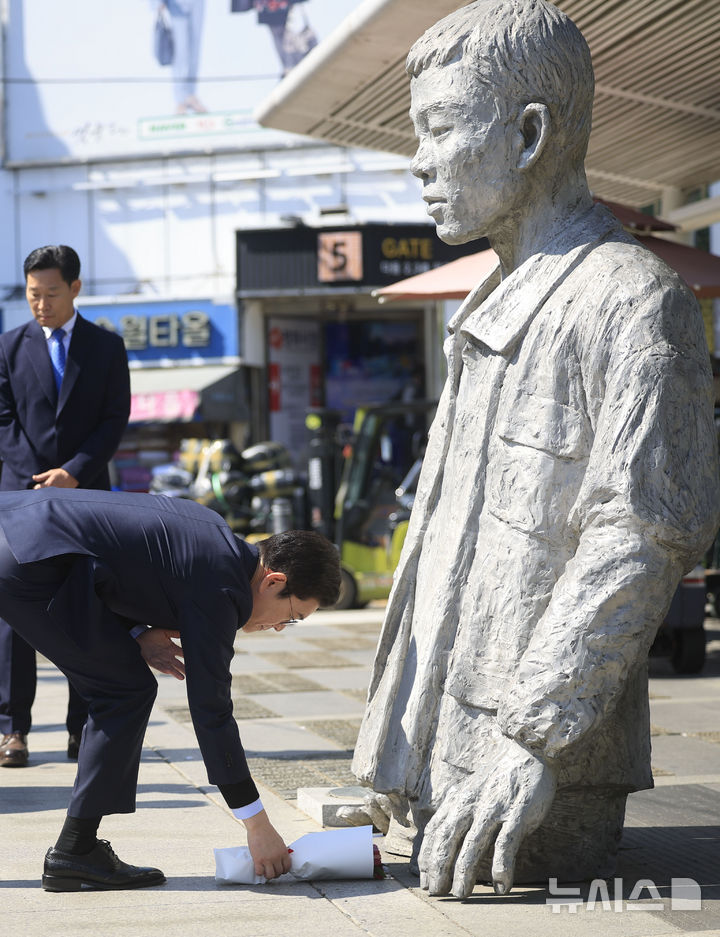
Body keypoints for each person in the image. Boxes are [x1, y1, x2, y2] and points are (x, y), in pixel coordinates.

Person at [348, 0, 720, 900]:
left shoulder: (632, 300)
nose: (420, 159)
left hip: (537, 776)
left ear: (527, 135)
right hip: (443, 756)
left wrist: (532, 741)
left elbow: (641, 533)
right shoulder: (485, 304)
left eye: (441, 127)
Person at [0, 487, 341, 890]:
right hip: (27, 562)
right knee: (122, 691)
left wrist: (136, 631)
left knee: (126, 683)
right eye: (293, 615)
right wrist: (257, 824)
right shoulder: (221, 588)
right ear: (274, 581)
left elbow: (108, 557)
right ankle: (75, 851)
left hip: (19, 529)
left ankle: (77, 849)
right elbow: (211, 709)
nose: (281, 627)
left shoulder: (214, 537)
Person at [0, 245, 130, 768]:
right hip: (20, 494)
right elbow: (3, 418)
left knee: (86, 608)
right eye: (33, 295)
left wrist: (73, 470)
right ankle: (12, 730)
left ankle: (83, 728)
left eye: (51, 294)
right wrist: (39, 475)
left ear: (74, 289)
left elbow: (113, 418)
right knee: (11, 616)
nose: (41, 304)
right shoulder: (9, 347)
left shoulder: (105, 347)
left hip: (86, 495)